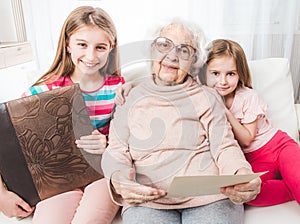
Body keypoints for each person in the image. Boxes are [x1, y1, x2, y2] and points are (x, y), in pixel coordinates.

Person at [101, 20, 261, 224]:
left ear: (194, 60)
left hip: (211, 197)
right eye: (164, 45)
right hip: (149, 202)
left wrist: (242, 174)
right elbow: (116, 151)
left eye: (184, 50)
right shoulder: (129, 97)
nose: (172, 56)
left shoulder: (207, 97)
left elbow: (225, 146)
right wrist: (118, 179)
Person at [0, 6, 124, 223]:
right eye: (82, 45)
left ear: (111, 48)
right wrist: (1, 195)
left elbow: (130, 140)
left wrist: (107, 142)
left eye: (100, 47)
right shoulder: (43, 91)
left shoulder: (118, 89)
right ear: (68, 44)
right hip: (56, 181)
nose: (91, 56)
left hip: (101, 174)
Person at [201, 38, 300, 206]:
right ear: (204, 73)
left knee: (297, 178)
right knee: (246, 194)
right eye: (215, 73)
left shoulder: (248, 96)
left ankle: (293, 183)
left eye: (230, 74)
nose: (223, 81)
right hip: (252, 160)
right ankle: (290, 187)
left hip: (278, 147)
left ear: (240, 74)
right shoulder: (203, 98)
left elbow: (247, 138)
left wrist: (224, 110)